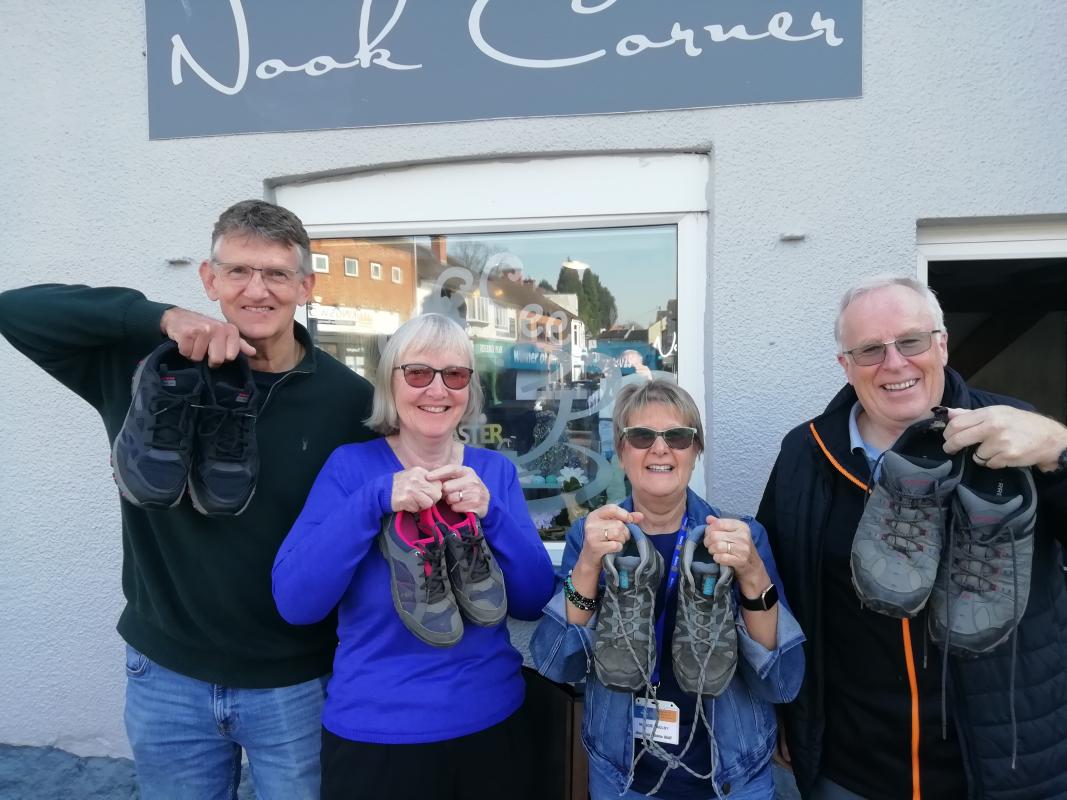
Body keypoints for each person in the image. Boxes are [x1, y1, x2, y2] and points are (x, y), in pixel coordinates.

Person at [0, 200, 375, 799]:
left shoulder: (350, 402)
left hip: (296, 681)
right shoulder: (145, 367)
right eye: (238, 272)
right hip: (165, 674)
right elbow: (15, 310)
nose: (257, 290)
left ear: (306, 286)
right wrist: (159, 318)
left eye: (277, 274)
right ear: (209, 279)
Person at [758, 275, 1067, 799]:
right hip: (854, 769)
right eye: (870, 350)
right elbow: (782, 595)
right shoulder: (806, 454)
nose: (894, 363)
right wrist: (789, 712)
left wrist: (1060, 450)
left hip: (1010, 764)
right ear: (845, 365)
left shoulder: (1017, 434)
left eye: (911, 341)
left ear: (941, 343)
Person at [271, 312, 556, 800]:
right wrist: (375, 500)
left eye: (455, 375)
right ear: (391, 383)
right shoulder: (352, 469)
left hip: (492, 724)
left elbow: (532, 599)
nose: (437, 390)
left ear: (469, 391)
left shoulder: (494, 472)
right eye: (418, 373)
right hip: (375, 735)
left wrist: (492, 514)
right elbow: (296, 602)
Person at [532, 378, 805, 799]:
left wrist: (752, 572)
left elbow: (780, 680)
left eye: (678, 436)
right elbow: (558, 663)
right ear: (621, 451)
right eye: (641, 436)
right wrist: (588, 564)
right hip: (622, 775)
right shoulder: (591, 536)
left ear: (695, 451)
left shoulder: (742, 536)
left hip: (731, 776)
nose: (660, 449)